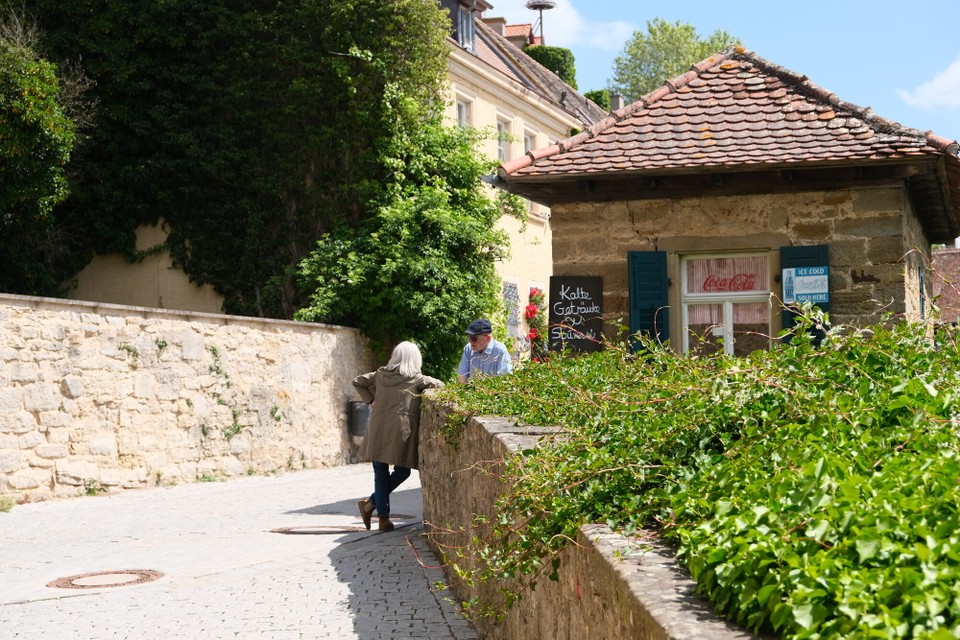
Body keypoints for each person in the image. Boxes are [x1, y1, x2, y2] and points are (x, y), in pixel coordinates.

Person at [352, 341, 444, 532]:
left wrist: (370, 400)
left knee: (380, 474)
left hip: (378, 428)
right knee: (402, 471)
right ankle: (378, 515)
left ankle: (375, 509)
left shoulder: (380, 374)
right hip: (400, 432)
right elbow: (440, 385)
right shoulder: (416, 379)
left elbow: (358, 381)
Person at [457, 318, 513, 383]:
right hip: (471, 389)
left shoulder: (500, 350)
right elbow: (462, 378)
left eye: (474, 338)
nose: (470, 341)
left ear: (488, 338)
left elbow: (505, 381)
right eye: (469, 337)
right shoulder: (468, 349)